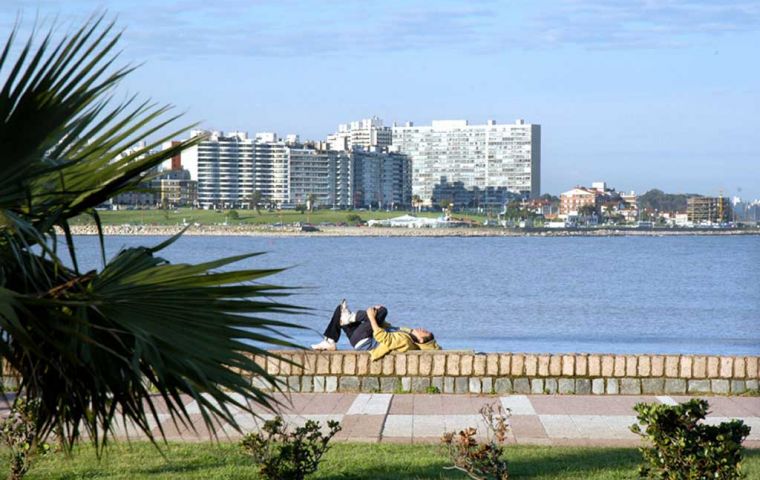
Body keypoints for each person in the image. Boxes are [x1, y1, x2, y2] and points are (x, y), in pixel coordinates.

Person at [312, 300, 440, 361]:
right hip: (358, 340)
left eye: (424, 331)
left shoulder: (405, 341)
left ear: (422, 339)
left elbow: (381, 337)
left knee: (383, 311)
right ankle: (329, 341)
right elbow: (386, 327)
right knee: (340, 310)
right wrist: (377, 317)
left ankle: (350, 317)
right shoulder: (407, 333)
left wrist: (373, 317)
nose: (422, 328)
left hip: (365, 340)